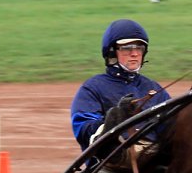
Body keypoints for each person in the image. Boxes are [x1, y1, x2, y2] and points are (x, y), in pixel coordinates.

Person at [69, 18, 172, 151]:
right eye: (127, 48)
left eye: (139, 48)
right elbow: (83, 129)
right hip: (111, 159)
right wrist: (113, 120)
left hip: (154, 160)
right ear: (112, 52)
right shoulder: (93, 87)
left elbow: (173, 126)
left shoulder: (153, 88)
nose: (134, 53)